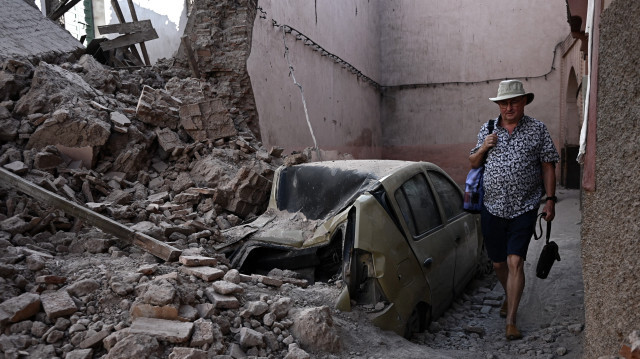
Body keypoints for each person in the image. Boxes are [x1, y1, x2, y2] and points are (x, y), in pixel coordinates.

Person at [469, 79, 559, 340]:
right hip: (492, 206)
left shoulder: (537, 130)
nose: (509, 107)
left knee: (515, 261)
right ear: (498, 105)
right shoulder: (487, 129)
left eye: (514, 102)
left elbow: (547, 165)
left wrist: (550, 200)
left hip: (525, 207)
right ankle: (509, 294)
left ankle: (511, 321)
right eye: (504, 103)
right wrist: (484, 146)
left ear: (523, 103)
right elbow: (473, 163)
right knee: (498, 263)